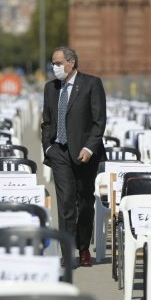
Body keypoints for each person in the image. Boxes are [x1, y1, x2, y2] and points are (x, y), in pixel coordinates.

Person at [41, 46, 106, 267]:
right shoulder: (50, 88)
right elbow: (47, 121)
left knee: (85, 202)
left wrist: (89, 148)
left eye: (58, 63)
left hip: (84, 153)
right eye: (53, 63)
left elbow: (99, 122)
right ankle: (67, 251)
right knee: (66, 201)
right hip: (58, 151)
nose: (54, 67)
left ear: (71, 63)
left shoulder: (91, 84)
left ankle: (83, 247)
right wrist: (47, 147)